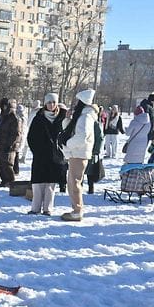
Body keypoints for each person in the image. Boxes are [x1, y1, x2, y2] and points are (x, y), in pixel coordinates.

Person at [58, 89, 97, 221]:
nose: (75, 104)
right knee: (73, 183)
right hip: (77, 152)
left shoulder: (85, 117)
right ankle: (76, 209)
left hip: (79, 153)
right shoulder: (82, 116)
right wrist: (67, 119)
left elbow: (81, 136)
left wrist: (68, 144)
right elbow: (71, 130)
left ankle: (77, 211)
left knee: (74, 183)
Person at [26, 93, 66, 215]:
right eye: (49, 102)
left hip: (55, 155)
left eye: (54, 102)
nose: (51, 105)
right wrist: (36, 151)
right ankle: (35, 207)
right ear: (45, 104)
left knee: (51, 183)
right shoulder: (39, 117)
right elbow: (31, 137)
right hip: (40, 155)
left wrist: (62, 149)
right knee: (37, 183)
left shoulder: (62, 118)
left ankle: (48, 208)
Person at [0, 99, 22, 188]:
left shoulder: (14, 118)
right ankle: (4, 180)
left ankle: (10, 181)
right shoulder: (4, 116)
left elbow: (16, 134)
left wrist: (10, 144)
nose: (4, 107)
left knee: (7, 164)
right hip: (1, 142)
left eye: (5, 106)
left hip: (9, 145)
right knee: (0, 162)